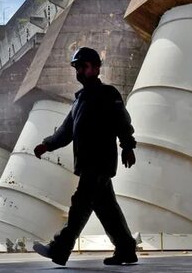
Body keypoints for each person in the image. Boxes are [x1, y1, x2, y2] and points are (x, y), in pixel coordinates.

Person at [32, 47, 138, 266]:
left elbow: (122, 122)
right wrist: (46, 144)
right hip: (87, 163)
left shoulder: (108, 94)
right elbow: (66, 131)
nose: (79, 71)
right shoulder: (79, 101)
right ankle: (126, 249)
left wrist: (128, 146)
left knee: (80, 206)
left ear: (96, 68)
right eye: (77, 67)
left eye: (84, 66)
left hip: (99, 162)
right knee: (107, 210)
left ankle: (59, 249)